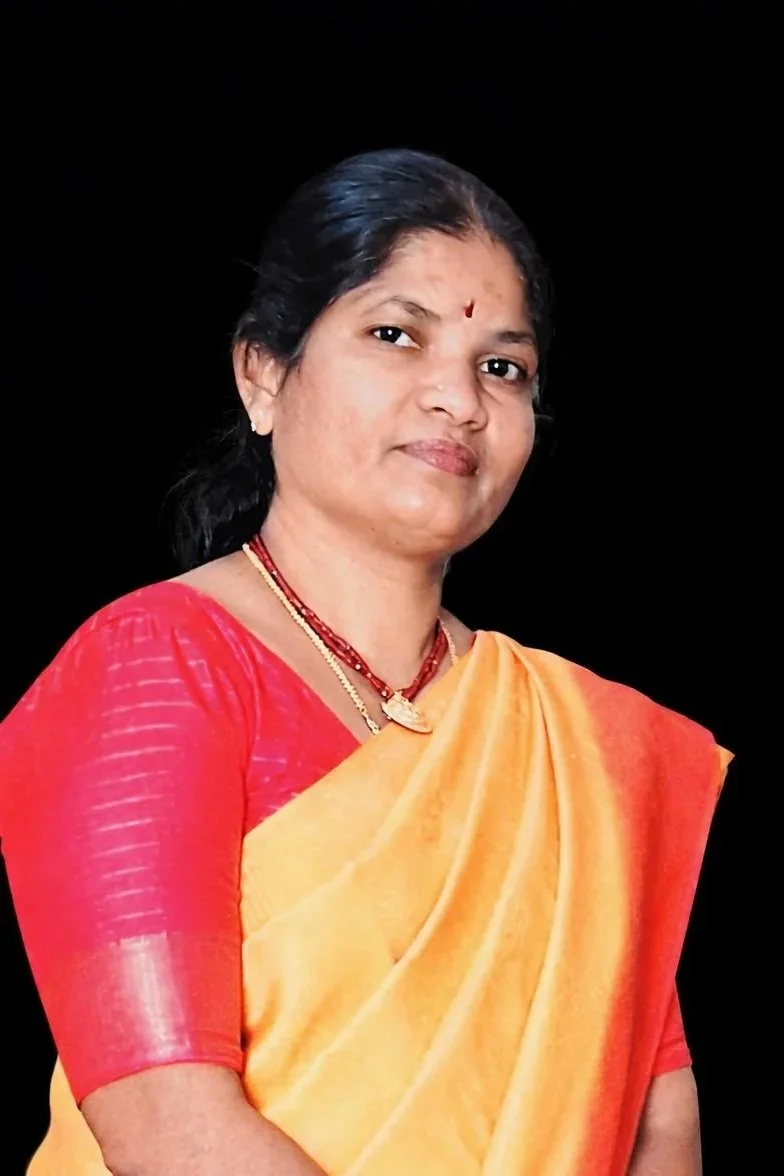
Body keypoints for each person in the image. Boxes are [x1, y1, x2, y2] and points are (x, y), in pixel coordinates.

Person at [0, 148, 730, 1176]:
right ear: (263, 374)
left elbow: (658, 1115)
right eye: (396, 335)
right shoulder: (155, 669)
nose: (459, 400)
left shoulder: (582, 743)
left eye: (502, 368)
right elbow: (165, 1120)